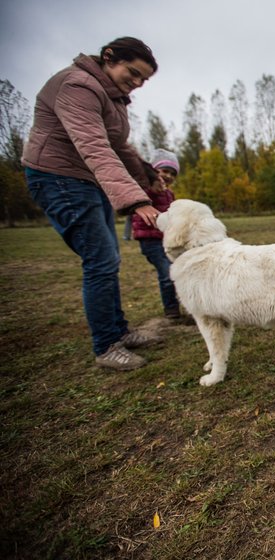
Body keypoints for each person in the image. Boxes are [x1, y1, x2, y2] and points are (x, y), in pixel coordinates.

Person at [22, 37, 162, 370]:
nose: (138, 83)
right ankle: (106, 346)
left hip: (85, 180)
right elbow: (95, 146)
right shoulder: (77, 86)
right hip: (59, 178)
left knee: (108, 260)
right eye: (133, 72)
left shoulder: (110, 96)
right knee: (100, 260)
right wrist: (136, 200)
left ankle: (119, 331)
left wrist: (147, 176)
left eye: (144, 79)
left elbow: (120, 147)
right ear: (108, 56)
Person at [132, 148, 188, 323]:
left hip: (168, 240)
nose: (168, 176)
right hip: (150, 240)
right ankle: (172, 311)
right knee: (167, 274)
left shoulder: (169, 194)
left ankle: (182, 307)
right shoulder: (145, 189)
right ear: (154, 171)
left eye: (172, 173)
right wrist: (153, 187)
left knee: (178, 273)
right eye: (164, 171)